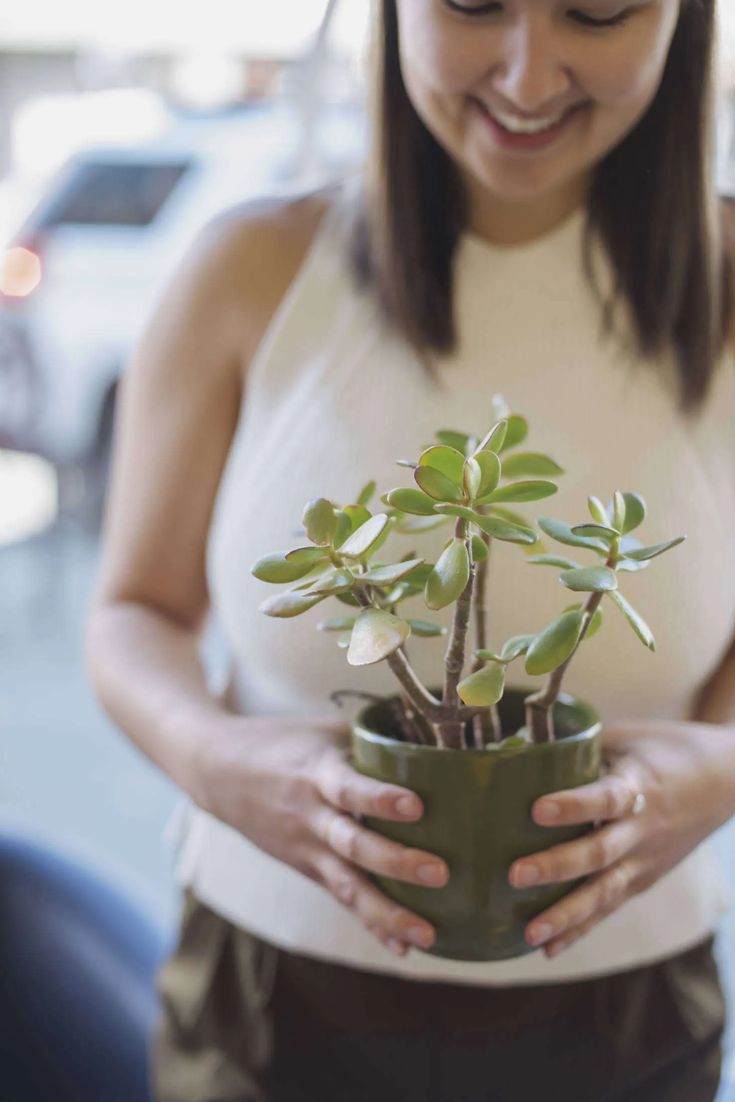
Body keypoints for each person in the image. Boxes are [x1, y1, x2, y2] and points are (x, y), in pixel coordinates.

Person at [85, 0, 735, 1098]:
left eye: (599, 9)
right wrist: (214, 759)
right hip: (266, 1006)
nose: (530, 76)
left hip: (626, 1020)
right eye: (473, 2)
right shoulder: (249, 267)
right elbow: (133, 610)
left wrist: (721, 767)